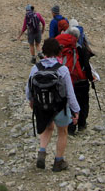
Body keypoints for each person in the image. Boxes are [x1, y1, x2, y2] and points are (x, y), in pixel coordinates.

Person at [26, 38, 80, 172]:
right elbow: (69, 92)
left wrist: (31, 101)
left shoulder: (35, 68)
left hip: (41, 104)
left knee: (47, 128)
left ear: (43, 51)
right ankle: (58, 161)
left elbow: (29, 88)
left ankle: (42, 152)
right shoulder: (62, 70)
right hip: (59, 106)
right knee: (63, 132)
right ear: (58, 52)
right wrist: (76, 110)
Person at [56, 24, 95, 136]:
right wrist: (91, 79)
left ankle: (71, 128)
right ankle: (82, 124)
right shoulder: (80, 48)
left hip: (68, 80)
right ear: (78, 37)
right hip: (81, 81)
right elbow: (86, 66)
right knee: (83, 102)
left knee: (71, 102)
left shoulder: (62, 47)